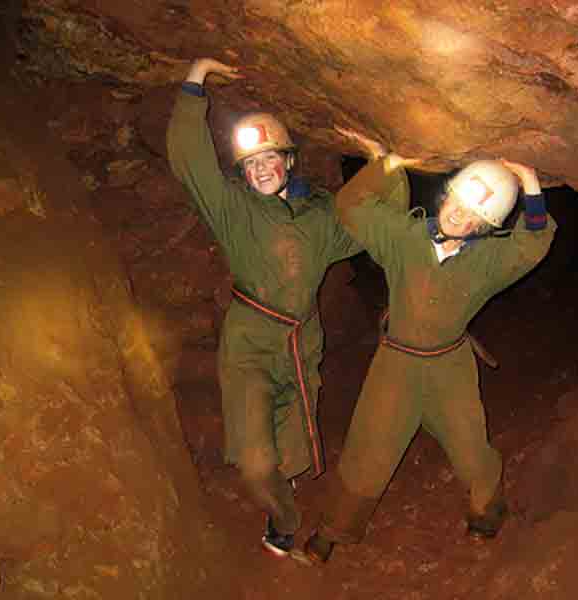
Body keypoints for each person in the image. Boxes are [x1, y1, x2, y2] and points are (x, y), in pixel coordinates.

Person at [166, 59, 409, 558]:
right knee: (256, 466)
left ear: (289, 162)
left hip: (301, 343)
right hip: (250, 347)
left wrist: (387, 166)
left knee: (292, 450)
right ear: (243, 173)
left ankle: (285, 484)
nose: (260, 170)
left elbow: (372, 220)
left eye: (269, 159)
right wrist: (195, 82)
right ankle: (283, 515)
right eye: (251, 164)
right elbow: (189, 160)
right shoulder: (234, 209)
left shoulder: (321, 216)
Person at [303, 129, 557, 564]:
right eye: (457, 203)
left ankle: (487, 512)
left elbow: (533, 242)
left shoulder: (488, 262)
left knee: (471, 448)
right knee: (369, 447)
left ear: (483, 226)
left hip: (450, 367)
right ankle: (334, 529)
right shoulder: (404, 237)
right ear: (445, 198)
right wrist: (390, 162)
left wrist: (530, 185)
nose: (459, 215)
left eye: (472, 214)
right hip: (396, 363)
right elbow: (352, 206)